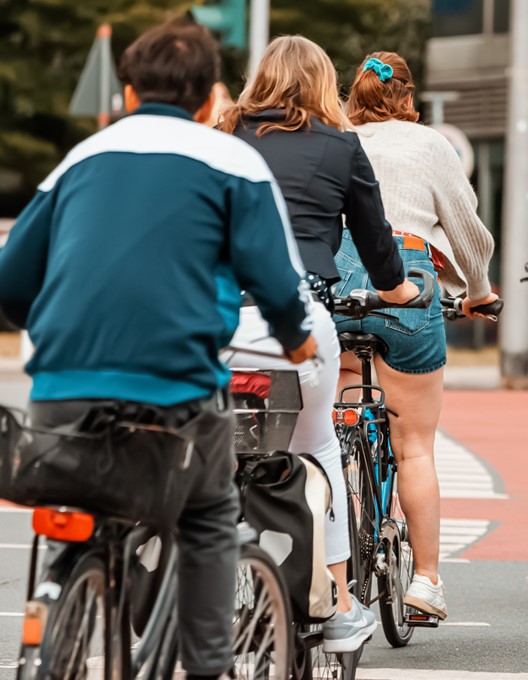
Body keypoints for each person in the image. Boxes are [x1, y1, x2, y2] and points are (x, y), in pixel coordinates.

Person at [0, 23, 316, 680]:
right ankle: (206, 668)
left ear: (126, 89)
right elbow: (279, 285)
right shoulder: (233, 162)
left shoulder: (79, 159)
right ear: (208, 102)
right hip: (173, 398)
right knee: (208, 513)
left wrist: (56, 328)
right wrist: (298, 341)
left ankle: (71, 609)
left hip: (61, 394)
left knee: (84, 494)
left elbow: (8, 282)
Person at [218, 36, 420, 653]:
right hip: (297, 326)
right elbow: (374, 235)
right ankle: (337, 605)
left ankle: (210, 584)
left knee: (212, 453)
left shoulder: (226, 139)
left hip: (220, 322)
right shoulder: (339, 146)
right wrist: (397, 287)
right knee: (318, 452)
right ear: (320, 83)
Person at [334, 51, 498, 620]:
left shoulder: (336, 135)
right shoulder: (431, 146)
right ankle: (426, 581)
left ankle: (327, 564)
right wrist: (478, 290)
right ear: (408, 96)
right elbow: (468, 230)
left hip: (333, 285)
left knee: (329, 429)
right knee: (414, 447)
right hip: (404, 280)